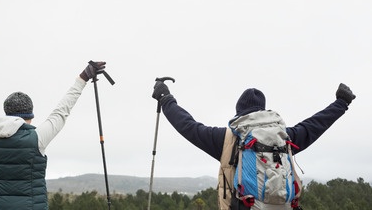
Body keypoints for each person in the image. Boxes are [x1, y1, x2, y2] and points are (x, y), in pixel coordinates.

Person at [151, 81, 356, 210]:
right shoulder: (284, 137)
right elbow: (315, 124)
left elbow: (188, 126)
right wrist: (341, 102)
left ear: (239, 113)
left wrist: (166, 98)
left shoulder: (227, 138)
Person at [0, 61, 106, 210]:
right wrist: (83, 77)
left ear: (7, 113)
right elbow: (61, 111)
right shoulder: (37, 138)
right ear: (29, 116)